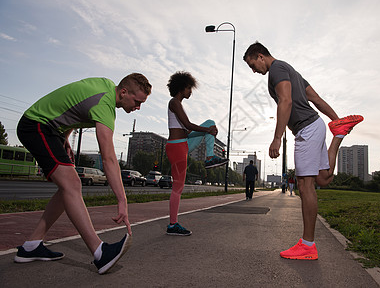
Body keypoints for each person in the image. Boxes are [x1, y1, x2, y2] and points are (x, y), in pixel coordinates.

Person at [15, 73, 152, 274]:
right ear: (124, 92)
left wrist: (66, 138)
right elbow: (109, 158)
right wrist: (122, 200)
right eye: (137, 101)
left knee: (66, 188)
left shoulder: (105, 86)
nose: (138, 107)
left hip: (51, 129)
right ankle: (100, 252)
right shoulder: (105, 106)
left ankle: (31, 246)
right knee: (72, 185)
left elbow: (73, 107)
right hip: (36, 125)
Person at [243, 42, 363, 260]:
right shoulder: (291, 70)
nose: (253, 71)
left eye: (252, 65)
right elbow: (315, 99)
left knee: (305, 185)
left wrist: (277, 138)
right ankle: (338, 135)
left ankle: (307, 245)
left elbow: (286, 101)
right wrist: (338, 122)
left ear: (260, 56)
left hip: (306, 129)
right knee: (323, 178)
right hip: (315, 125)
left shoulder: (277, 70)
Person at [165, 71, 228, 236]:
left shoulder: (178, 104)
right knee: (178, 187)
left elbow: (186, 128)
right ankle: (173, 224)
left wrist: (209, 129)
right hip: (177, 146)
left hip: (183, 142)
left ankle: (209, 158)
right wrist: (207, 130)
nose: (190, 92)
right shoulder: (174, 103)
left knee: (211, 123)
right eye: (188, 88)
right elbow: (187, 124)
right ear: (181, 88)